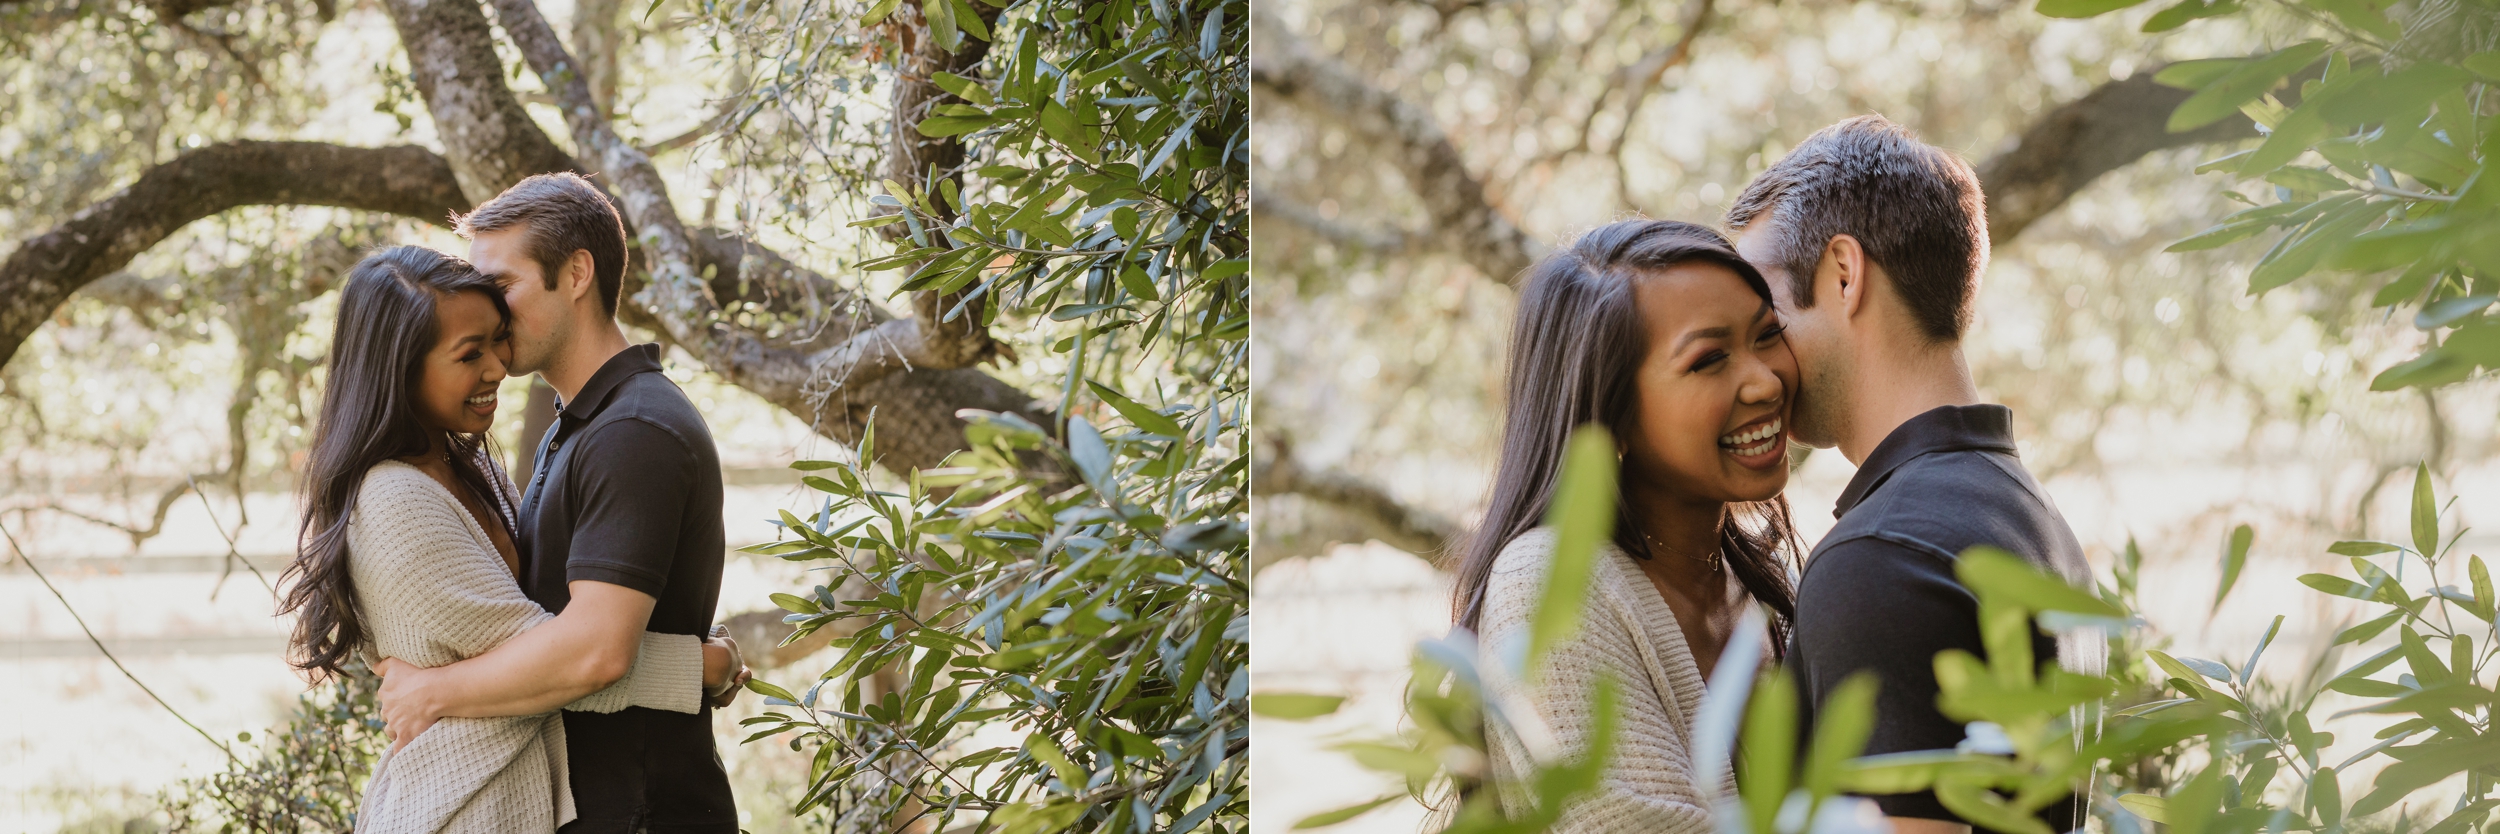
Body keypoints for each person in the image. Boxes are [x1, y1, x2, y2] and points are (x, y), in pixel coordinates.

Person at [277, 245, 744, 833]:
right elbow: (564, 660)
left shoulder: (469, 468)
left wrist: (436, 689)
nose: (498, 366)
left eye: (497, 338)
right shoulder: (396, 503)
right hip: (463, 807)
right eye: (469, 354)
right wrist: (703, 665)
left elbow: (556, 643)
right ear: (398, 369)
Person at [1725, 115, 2103, 834]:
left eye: (1766, 315)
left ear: (1843, 274)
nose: (1760, 362)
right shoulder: (2028, 515)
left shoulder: (1881, 557)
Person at [1450, 219, 1805, 833]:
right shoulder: (1551, 587)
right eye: (1709, 360)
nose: (1766, 381)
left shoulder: (1758, 581)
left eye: (1767, 335)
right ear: (1608, 411)